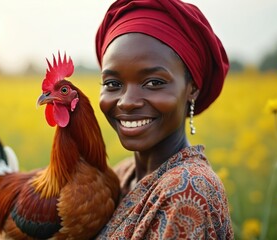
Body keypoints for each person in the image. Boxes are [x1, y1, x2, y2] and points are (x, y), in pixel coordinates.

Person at [94, 0, 234, 239]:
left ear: (192, 89)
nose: (127, 101)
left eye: (154, 83)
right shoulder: (122, 175)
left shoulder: (187, 190)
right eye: (113, 84)